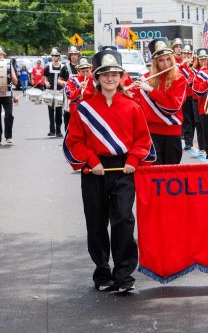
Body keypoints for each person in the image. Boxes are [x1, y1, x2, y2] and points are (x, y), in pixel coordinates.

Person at [63, 49, 155, 293]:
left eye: (115, 74)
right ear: (97, 77)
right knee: (96, 223)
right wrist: (91, 161)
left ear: (121, 76)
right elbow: (74, 140)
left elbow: (143, 140)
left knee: (123, 219)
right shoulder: (84, 108)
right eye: (105, 74)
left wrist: (134, 159)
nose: (110, 78)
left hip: (124, 169)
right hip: (94, 171)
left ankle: (124, 275)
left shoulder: (133, 107)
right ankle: (102, 270)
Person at [131, 38, 187, 165]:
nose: (165, 64)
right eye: (161, 60)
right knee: (154, 173)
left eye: (168, 59)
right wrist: (130, 95)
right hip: (151, 132)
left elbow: (172, 107)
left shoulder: (179, 79)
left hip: (172, 132)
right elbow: (138, 105)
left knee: (171, 174)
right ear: (155, 62)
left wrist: (150, 90)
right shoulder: (146, 78)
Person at [191, 48, 208, 155]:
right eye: (201, 59)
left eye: (205, 59)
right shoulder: (194, 71)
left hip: (206, 99)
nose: (203, 61)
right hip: (196, 100)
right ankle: (202, 147)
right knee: (199, 123)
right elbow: (190, 83)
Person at [44, 47, 65, 137]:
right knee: (50, 110)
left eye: (56, 55)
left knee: (59, 112)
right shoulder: (48, 66)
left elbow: (65, 78)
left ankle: (59, 130)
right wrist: (46, 83)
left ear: (59, 56)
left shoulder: (63, 67)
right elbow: (45, 78)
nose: (54, 57)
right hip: (50, 91)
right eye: (53, 56)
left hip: (59, 92)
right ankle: (51, 130)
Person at [178, 43, 196, 150]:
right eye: (184, 53)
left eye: (188, 53)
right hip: (183, 95)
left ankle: (190, 138)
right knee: (187, 119)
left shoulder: (195, 64)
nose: (186, 55)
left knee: (194, 120)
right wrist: (182, 65)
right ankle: (188, 141)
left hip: (193, 95)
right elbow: (175, 74)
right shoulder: (177, 65)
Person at [0, 46, 18, 145]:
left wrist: (15, 81)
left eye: (1, 54)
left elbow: (14, 80)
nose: (1, 56)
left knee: (9, 115)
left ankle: (8, 136)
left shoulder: (8, 64)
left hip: (7, 93)